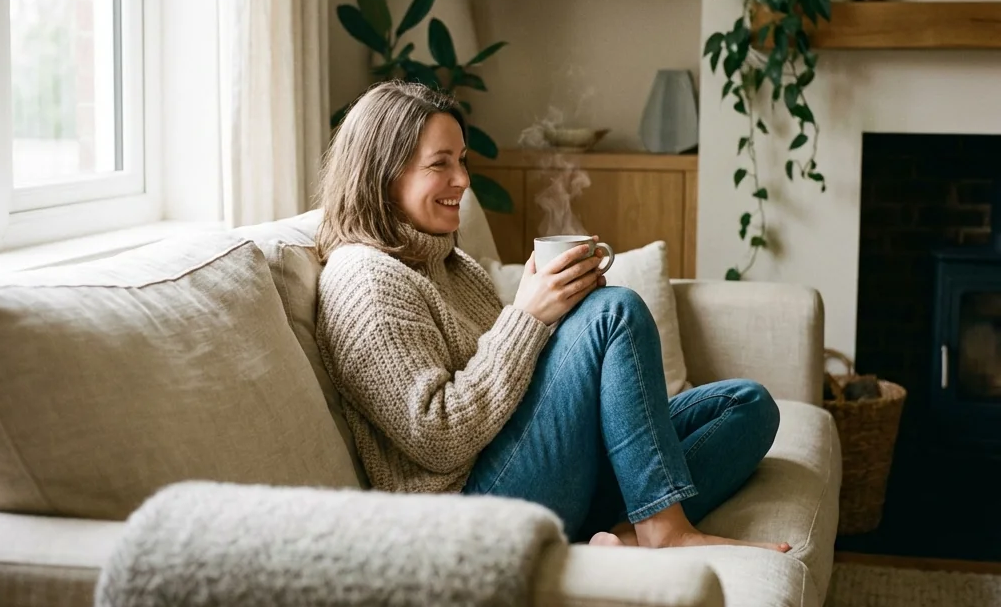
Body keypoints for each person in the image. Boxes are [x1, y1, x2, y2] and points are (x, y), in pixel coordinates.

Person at [316, 82, 789, 552]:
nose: (462, 180)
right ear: (382, 174)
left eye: (462, 161)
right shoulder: (365, 281)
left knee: (747, 404)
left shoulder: (454, 266)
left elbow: (521, 388)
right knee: (615, 313)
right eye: (440, 164)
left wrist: (567, 317)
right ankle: (665, 531)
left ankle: (626, 533)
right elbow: (439, 438)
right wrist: (528, 316)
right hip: (467, 513)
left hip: (529, 468)